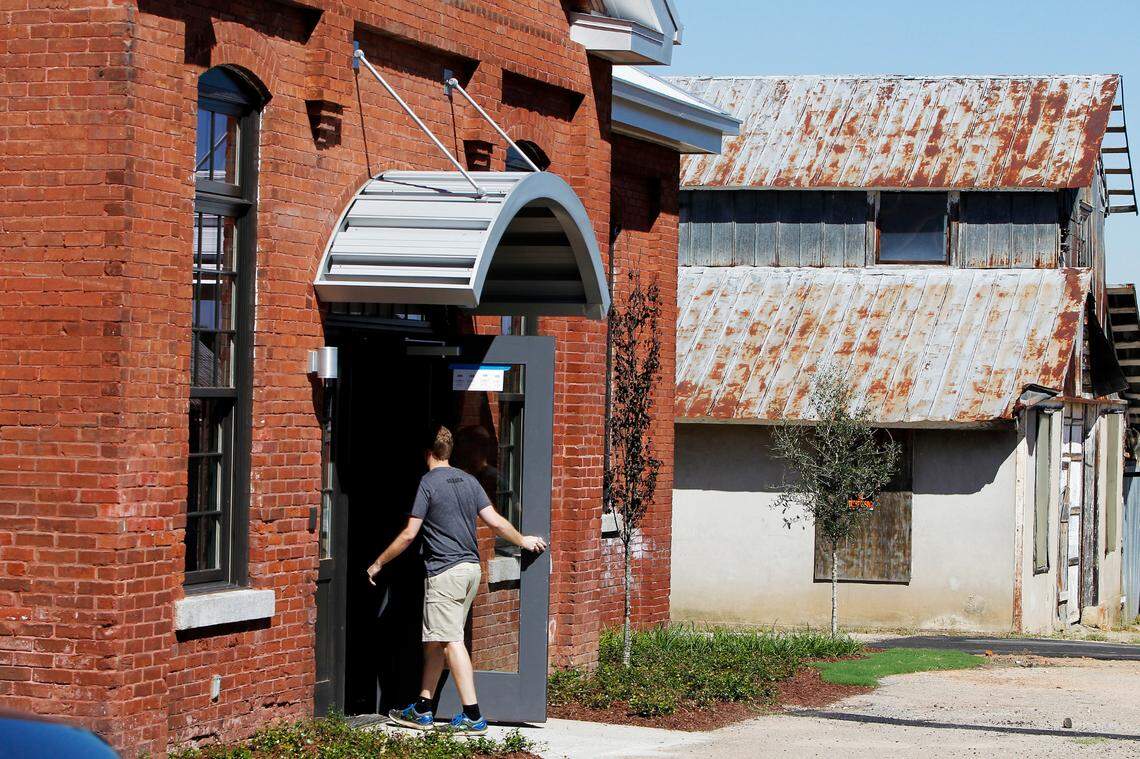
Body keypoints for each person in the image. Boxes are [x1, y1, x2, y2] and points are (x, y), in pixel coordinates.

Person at [366, 424, 547, 734]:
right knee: (437, 640)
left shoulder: (428, 483)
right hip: (470, 571)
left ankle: (473, 715)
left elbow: (410, 534)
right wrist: (523, 540)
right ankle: (423, 707)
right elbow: (496, 523)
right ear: (449, 452)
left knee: (450, 641)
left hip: (445, 573)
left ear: (427, 453)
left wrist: (378, 563)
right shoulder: (468, 481)